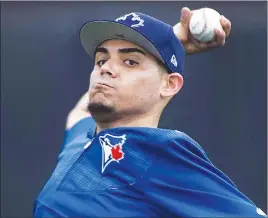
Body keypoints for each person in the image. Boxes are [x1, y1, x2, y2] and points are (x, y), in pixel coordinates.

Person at [33, 7, 266, 217]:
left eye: (130, 62)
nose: (107, 69)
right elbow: (78, 114)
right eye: (101, 60)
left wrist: (168, 48)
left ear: (170, 84)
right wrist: (173, 41)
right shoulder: (81, 140)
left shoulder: (158, 151)